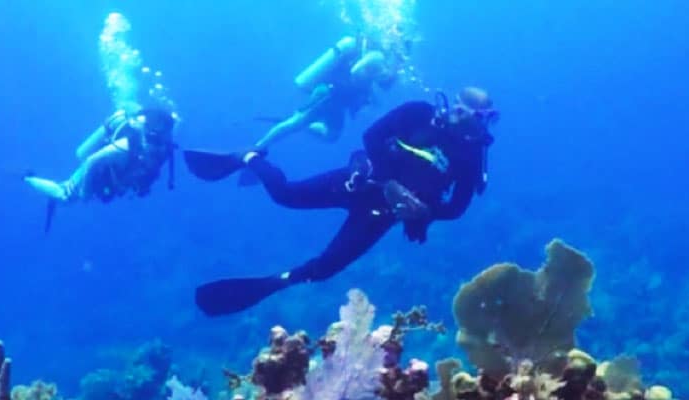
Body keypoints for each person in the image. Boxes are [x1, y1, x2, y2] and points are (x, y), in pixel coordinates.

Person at [184, 87, 499, 316]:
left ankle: (275, 283)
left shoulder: (471, 158)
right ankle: (249, 157)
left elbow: (457, 208)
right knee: (285, 195)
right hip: (358, 183)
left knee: (324, 269)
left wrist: (426, 212)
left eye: (483, 120)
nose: (469, 124)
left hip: (381, 214)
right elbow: (371, 137)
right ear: (455, 107)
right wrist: (389, 183)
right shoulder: (418, 113)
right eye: (464, 112)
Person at [23, 107, 179, 232]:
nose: (156, 150)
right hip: (97, 169)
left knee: (69, 195)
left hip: (113, 172)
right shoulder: (125, 147)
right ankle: (26, 177)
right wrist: (85, 190)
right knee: (65, 196)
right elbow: (92, 161)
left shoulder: (163, 149)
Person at [254, 35, 407, 148]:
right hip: (328, 93)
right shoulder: (377, 56)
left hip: (338, 101)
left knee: (331, 136)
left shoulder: (379, 59)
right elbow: (355, 71)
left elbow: (367, 84)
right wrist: (376, 76)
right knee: (295, 124)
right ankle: (258, 148)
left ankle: (301, 123)